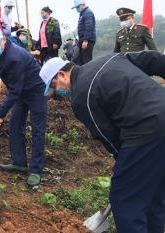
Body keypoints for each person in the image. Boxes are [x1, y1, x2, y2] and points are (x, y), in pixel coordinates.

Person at [40, 52, 165, 233]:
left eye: (54, 86)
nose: (56, 93)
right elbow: (151, 59)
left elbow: (108, 136)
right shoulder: (110, 58)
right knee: (154, 192)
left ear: (61, 74)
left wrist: (123, 163)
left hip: (145, 131)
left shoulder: (81, 97)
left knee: (124, 199)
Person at [0, 25, 47, 187]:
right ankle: (19, 162)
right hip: (20, 90)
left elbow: (15, 92)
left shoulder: (15, 57)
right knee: (16, 124)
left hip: (36, 90)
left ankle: (36, 170)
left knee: (38, 129)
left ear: (3, 40)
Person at [71, 0, 95, 65]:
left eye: (78, 7)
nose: (77, 9)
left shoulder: (88, 13)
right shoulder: (82, 14)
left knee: (86, 61)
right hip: (82, 41)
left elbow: (89, 27)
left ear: (83, 4)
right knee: (80, 61)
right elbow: (82, 29)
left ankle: (90, 75)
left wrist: (85, 40)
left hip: (87, 41)